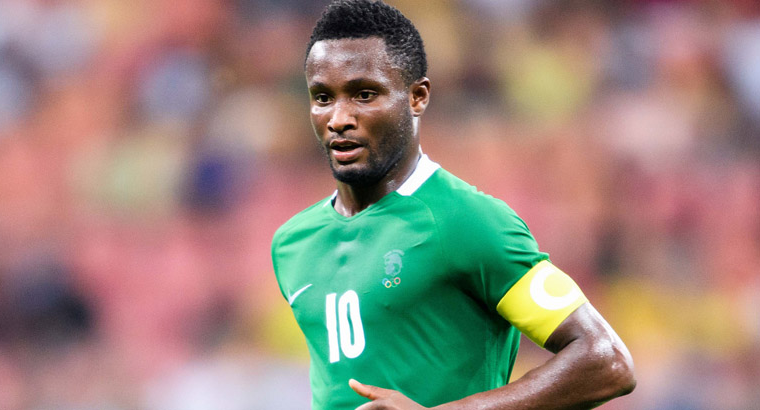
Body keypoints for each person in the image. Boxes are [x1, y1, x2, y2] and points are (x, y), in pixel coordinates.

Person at [270, 1, 636, 409]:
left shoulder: (467, 221)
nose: (338, 117)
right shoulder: (292, 243)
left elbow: (606, 361)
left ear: (417, 97)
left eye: (364, 94)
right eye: (322, 97)